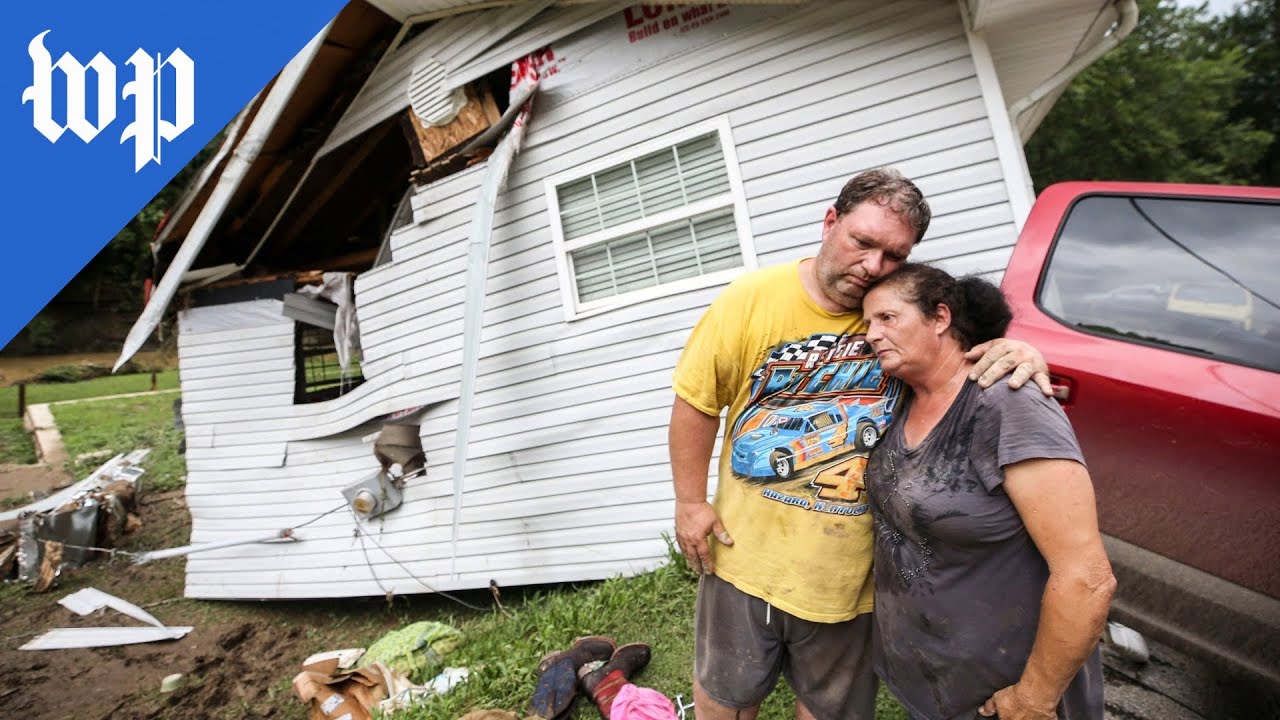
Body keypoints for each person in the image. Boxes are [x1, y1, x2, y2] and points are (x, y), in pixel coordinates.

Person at [669, 168, 1052, 720]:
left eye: (894, 255)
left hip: (852, 578)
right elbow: (697, 403)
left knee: (830, 709)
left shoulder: (900, 318)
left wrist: (1019, 350)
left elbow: (967, 339)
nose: (873, 266)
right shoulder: (751, 299)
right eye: (862, 242)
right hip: (743, 559)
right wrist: (689, 502)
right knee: (725, 697)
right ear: (831, 222)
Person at [861, 263, 1116, 720]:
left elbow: (1087, 578)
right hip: (931, 683)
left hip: (1002, 696)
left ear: (940, 318)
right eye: (867, 323)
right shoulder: (898, 398)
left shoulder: (1007, 402)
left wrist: (1033, 700)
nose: (871, 334)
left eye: (887, 318)